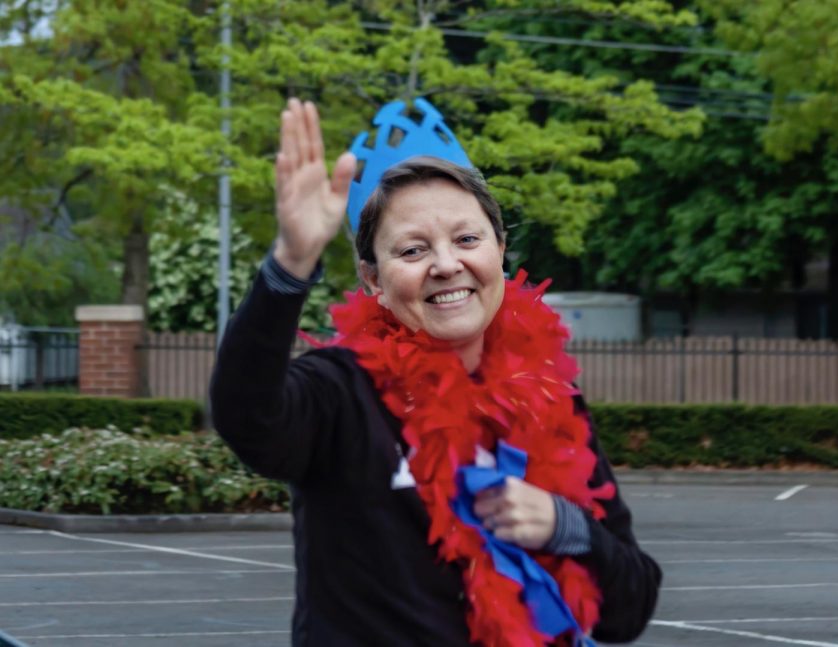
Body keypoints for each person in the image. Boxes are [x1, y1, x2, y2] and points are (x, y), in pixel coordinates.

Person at [210, 97, 661, 647]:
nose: (446, 264)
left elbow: (629, 610)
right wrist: (291, 262)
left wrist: (568, 529)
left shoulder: (553, 399)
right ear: (373, 279)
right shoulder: (339, 391)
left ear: (500, 250)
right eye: (413, 249)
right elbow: (245, 415)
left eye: (467, 239)